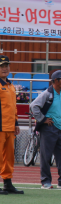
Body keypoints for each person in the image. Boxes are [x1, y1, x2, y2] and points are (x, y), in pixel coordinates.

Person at [30, 70, 61, 189]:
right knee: (46, 156)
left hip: (58, 128)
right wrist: (43, 119)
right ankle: (45, 181)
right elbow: (33, 106)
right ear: (55, 81)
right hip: (48, 129)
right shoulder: (47, 93)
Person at [0, 56, 22, 195]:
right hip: (0, 126)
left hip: (9, 127)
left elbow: (13, 107)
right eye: (2, 66)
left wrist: (16, 123)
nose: (5, 68)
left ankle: (7, 183)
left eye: (6, 65)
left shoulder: (11, 85)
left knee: (9, 157)